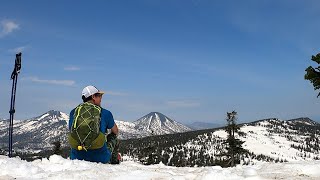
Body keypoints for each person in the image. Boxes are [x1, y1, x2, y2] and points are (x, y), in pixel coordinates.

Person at [68, 85, 119, 164]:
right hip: (100, 158)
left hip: (76, 158)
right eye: (99, 96)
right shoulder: (105, 113)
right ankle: (114, 162)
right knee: (113, 137)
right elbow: (115, 131)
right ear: (93, 97)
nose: (101, 99)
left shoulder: (73, 112)